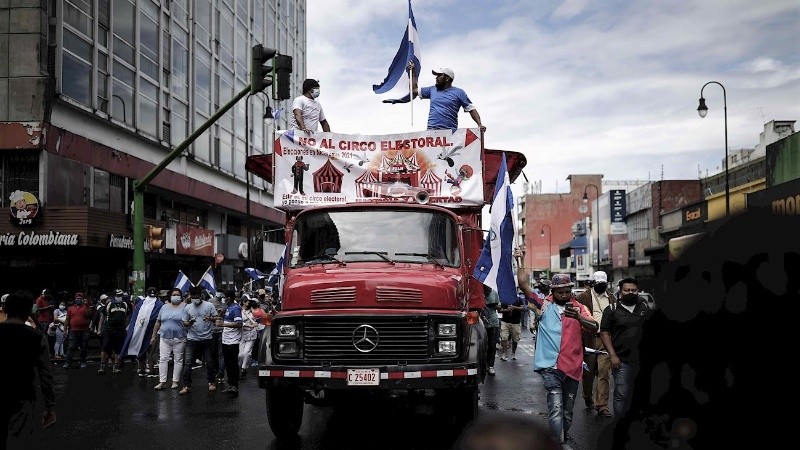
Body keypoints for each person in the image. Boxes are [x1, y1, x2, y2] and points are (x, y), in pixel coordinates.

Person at [520, 271, 598, 447]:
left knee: (567, 412)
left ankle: (563, 436)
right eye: (560, 292)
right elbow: (524, 287)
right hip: (550, 367)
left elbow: (594, 327)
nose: (564, 295)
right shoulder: (543, 305)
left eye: (567, 291)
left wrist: (578, 317)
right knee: (555, 408)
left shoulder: (580, 308)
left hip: (572, 366)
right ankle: (558, 444)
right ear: (553, 291)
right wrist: (519, 262)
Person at [0, 290, 57, 447]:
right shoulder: (37, 337)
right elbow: (46, 375)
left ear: (5, 309)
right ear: (28, 312)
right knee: (17, 441)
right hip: (22, 397)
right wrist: (50, 406)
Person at [599, 277, 652, 418]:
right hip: (622, 361)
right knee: (622, 394)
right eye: (627, 290)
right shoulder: (611, 309)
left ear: (638, 291)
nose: (630, 293)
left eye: (633, 290)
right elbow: (604, 333)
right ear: (620, 291)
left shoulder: (644, 308)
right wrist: (613, 356)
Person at [576, 270, 615, 417]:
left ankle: (602, 405)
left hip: (606, 338)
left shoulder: (611, 298)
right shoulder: (582, 297)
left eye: (603, 283)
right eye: (598, 283)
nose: (600, 285)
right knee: (589, 372)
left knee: (604, 372)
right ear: (593, 283)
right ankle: (587, 396)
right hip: (588, 338)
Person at [408, 62, 486, 132]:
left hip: (450, 134)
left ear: (447, 78)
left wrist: (479, 124)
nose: (436, 78)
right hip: (431, 132)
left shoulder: (459, 92)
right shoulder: (432, 90)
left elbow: (471, 109)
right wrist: (413, 73)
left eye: (439, 75)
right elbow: (414, 90)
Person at [179, 286, 219, 395]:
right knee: (188, 363)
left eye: (197, 296)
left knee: (209, 362)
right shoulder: (188, 307)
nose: (195, 298)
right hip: (192, 339)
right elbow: (184, 322)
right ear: (190, 296)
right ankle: (186, 385)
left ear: (201, 295)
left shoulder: (209, 305)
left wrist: (210, 319)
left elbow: (216, 318)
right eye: (193, 296)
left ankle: (211, 382)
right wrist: (189, 323)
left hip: (207, 339)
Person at [119, 287, 163, 377]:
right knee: (152, 350)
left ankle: (142, 369)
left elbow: (134, 317)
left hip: (139, 330)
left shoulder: (140, 303)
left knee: (141, 347)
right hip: (153, 331)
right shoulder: (159, 304)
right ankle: (150, 370)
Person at [151, 288, 187, 390]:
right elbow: (158, 322)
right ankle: (162, 382)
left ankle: (175, 381)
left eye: (177, 295)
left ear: (181, 296)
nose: (176, 296)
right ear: (170, 296)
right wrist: (153, 336)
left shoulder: (185, 307)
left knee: (178, 359)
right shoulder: (164, 307)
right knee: (163, 359)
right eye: (174, 295)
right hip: (164, 338)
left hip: (179, 338)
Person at [217, 290, 243, 396]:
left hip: (233, 341)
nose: (224, 299)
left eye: (226, 297)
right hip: (225, 340)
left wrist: (223, 325)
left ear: (230, 297)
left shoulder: (235, 308)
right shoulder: (227, 308)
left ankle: (235, 386)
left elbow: (239, 324)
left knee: (233, 364)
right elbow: (224, 321)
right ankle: (230, 385)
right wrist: (211, 319)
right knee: (228, 364)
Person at [97, 291, 129, 375]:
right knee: (105, 347)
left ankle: (116, 366)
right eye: (117, 295)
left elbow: (126, 317)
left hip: (120, 330)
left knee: (117, 348)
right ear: (114, 296)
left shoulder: (124, 305)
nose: (119, 297)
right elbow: (103, 316)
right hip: (109, 329)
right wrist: (99, 329)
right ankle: (102, 366)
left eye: (120, 295)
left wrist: (126, 328)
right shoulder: (109, 304)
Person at [63, 292, 92, 369]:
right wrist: (65, 330)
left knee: (84, 347)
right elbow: (67, 319)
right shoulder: (70, 308)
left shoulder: (85, 307)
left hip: (84, 330)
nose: (79, 299)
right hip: (73, 330)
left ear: (83, 299)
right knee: (71, 347)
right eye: (77, 298)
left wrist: (87, 305)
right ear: (75, 299)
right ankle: (67, 363)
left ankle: (83, 362)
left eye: (80, 298)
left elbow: (89, 315)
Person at [482, 285, 501, 376]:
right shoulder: (479, 293)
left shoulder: (494, 293)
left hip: (493, 322)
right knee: (482, 345)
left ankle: (490, 365)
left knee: (492, 345)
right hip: (481, 323)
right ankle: (483, 364)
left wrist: (493, 306)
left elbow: (500, 307)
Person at [499, 293, 525, 361]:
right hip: (505, 321)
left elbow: (523, 308)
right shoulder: (504, 299)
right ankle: (504, 354)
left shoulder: (518, 299)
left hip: (515, 322)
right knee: (504, 337)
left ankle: (513, 353)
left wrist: (514, 307)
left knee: (515, 339)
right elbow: (499, 310)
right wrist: (506, 310)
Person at [238, 296, 259, 378]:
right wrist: (247, 325)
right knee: (240, 355)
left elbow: (258, 319)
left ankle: (244, 369)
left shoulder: (253, 310)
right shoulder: (238, 311)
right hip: (242, 334)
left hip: (252, 334)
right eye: (247, 301)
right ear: (243, 302)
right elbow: (238, 322)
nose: (249, 303)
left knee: (247, 353)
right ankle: (239, 367)